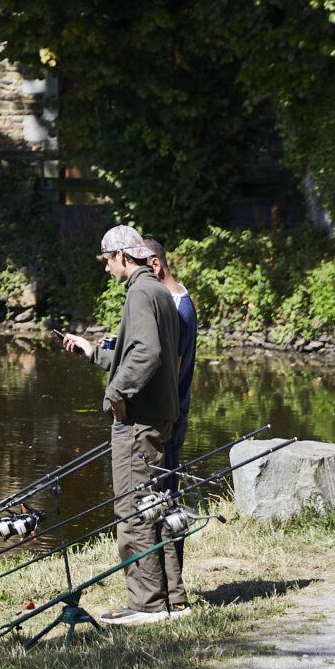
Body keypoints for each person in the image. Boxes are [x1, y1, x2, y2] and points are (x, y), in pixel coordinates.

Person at [53, 224, 189, 624]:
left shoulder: (140, 294)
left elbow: (145, 354)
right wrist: (94, 352)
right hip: (160, 416)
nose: (107, 269)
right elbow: (147, 352)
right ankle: (170, 598)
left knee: (133, 510)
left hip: (139, 423)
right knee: (157, 506)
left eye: (108, 261)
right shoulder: (162, 292)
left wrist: (116, 395)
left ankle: (145, 604)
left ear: (124, 257)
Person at [143, 237, 195, 598]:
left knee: (166, 502)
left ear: (155, 266)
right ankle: (166, 589)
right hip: (172, 413)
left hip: (170, 416)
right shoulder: (179, 302)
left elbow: (171, 368)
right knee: (161, 498)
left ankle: (174, 593)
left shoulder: (176, 308)